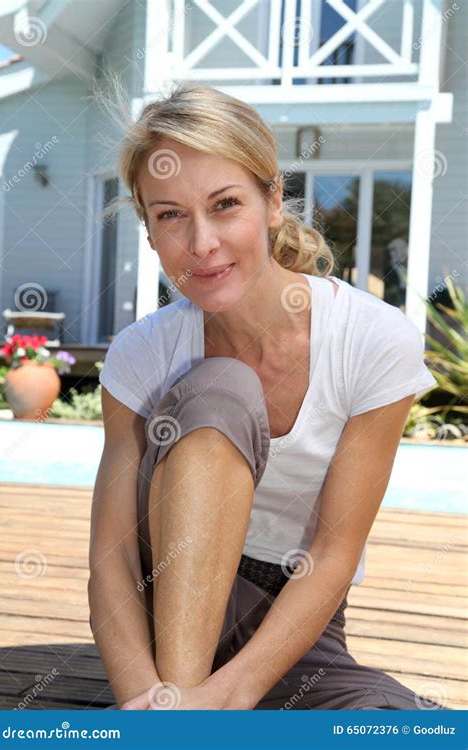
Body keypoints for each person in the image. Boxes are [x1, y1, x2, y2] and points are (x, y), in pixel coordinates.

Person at [89, 82, 444, 711]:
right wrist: (151, 700)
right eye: (170, 215)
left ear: (273, 200)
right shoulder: (141, 355)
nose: (201, 244)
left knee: (398, 725)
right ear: (149, 232)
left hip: (291, 628)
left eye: (225, 204)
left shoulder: (373, 339)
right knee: (221, 391)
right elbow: (113, 560)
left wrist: (232, 692)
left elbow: (334, 553)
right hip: (159, 607)